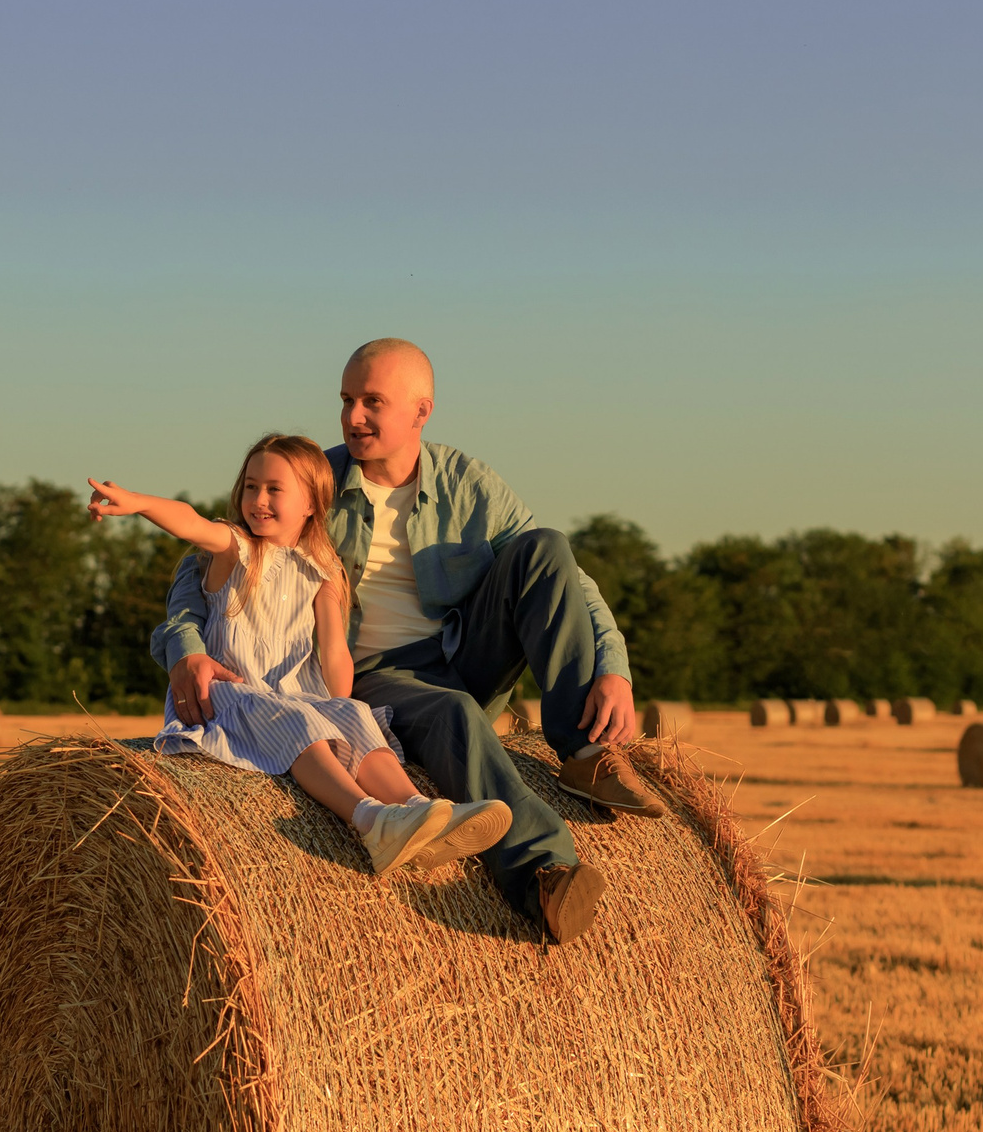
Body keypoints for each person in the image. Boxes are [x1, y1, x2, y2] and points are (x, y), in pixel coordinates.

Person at [152, 340, 662, 944]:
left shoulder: (467, 483)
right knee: (452, 714)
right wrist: (186, 648)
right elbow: (209, 560)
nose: (353, 416)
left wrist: (613, 666)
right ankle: (542, 872)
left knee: (545, 548)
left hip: (463, 653)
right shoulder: (313, 479)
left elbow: (567, 582)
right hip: (374, 676)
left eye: (373, 401)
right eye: (346, 400)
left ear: (422, 412)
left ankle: (583, 754)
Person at [88, 433, 514, 877]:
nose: (259, 499)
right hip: (232, 699)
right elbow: (191, 522)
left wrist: (342, 707)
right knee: (305, 721)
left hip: (293, 696)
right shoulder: (237, 549)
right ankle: (371, 822)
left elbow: (334, 649)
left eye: (275, 489)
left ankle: (421, 811)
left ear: (311, 503)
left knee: (354, 717)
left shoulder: (323, 566)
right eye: (251, 486)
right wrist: (137, 502)